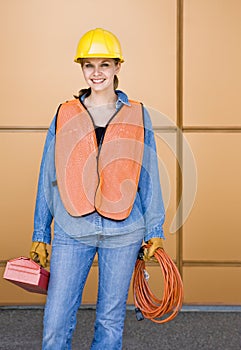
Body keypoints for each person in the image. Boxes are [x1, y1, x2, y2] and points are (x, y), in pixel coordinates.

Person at [30, 28, 165, 350]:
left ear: (118, 67)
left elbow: (148, 175)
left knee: (110, 318)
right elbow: (48, 173)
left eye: (105, 64)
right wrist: (40, 232)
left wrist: (155, 228)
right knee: (57, 318)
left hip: (125, 229)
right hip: (72, 227)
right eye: (89, 65)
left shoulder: (137, 113)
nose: (97, 72)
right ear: (81, 68)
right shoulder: (65, 112)